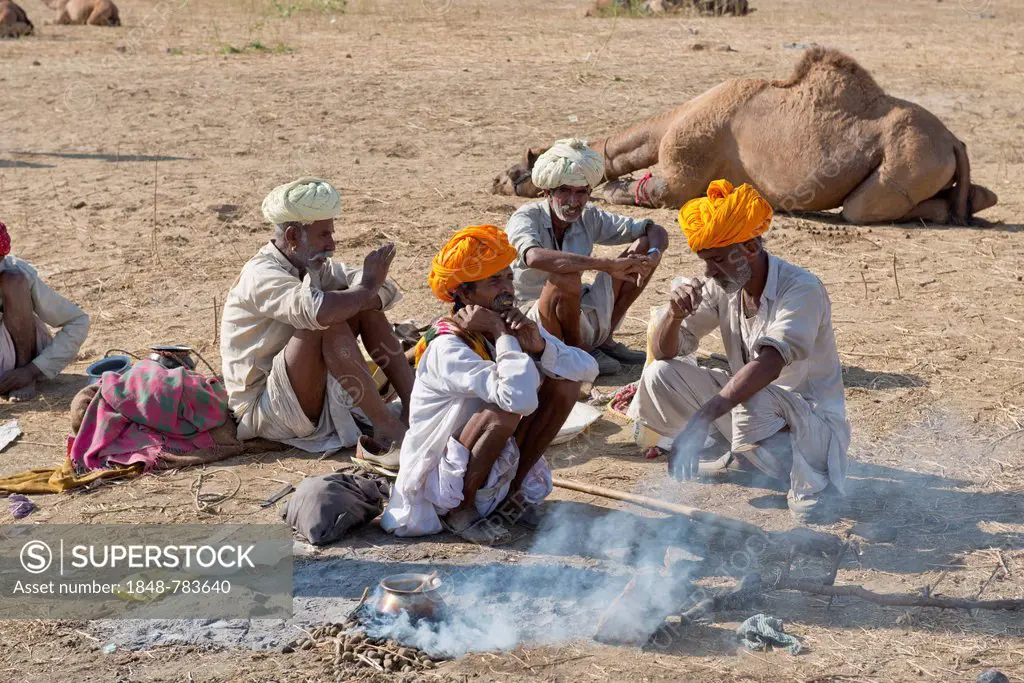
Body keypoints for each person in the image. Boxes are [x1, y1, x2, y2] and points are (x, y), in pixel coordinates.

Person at [628, 180, 849, 523]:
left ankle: (812, 481)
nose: (708, 271)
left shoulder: (801, 288)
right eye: (705, 261)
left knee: (750, 393)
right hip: (759, 416)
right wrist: (674, 316)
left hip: (812, 427)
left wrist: (702, 419)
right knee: (660, 374)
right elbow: (663, 352)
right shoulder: (724, 285)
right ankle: (742, 455)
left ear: (748, 247)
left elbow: (769, 366)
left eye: (716, 260)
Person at [381, 225, 598, 543]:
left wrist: (540, 347)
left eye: (508, 277)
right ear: (464, 295)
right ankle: (461, 512)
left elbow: (587, 369)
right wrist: (502, 335)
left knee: (564, 386)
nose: (507, 288)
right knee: (504, 412)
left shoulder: (511, 324)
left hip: (493, 466)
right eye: (494, 281)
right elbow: (517, 400)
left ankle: (513, 497)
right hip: (439, 486)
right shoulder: (447, 346)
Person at [220, 178, 413, 453]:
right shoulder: (260, 274)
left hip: (305, 391)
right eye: (324, 235)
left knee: (362, 306)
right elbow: (321, 311)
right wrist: (367, 287)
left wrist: (365, 292)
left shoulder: (312, 265)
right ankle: (385, 425)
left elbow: (385, 291)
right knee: (327, 319)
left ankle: (414, 402)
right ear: (293, 238)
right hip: (265, 409)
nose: (332, 244)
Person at [504, 138, 669, 375]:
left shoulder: (589, 216)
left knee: (641, 247)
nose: (574, 202)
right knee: (566, 277)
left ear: (589, 192)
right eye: (565, 192)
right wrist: (606, 265)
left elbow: (654, 230)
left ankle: (604, 340)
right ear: (547, 192)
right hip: (531, 318)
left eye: (581, 193)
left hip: (575, 310)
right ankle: (578, 353)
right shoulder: (525, 218)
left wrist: (653, 255)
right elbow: (533, 257)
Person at [0, 220, 89, 401]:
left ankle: (23, 378)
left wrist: (32, 370)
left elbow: (78, 322)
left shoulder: (16, 270)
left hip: (18, 356)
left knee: (14, 281)